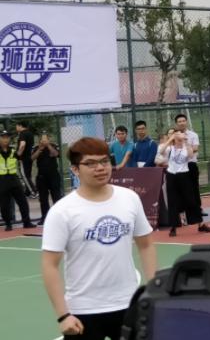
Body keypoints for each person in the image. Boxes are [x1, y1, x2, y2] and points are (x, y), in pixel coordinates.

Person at [41, 137, 157, 340]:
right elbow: (49, 265)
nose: (100, 168)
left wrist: (155, 291)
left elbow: (146, 245)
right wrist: (63, 315)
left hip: (129, 306)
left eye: (104, 161)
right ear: (75, 169)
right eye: (90, 163)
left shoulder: (129, 198)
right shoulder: (62, 211)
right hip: (83, 310)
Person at [156, 130, 210, 237]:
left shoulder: (186, 148)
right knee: (173, 201)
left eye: (180, 134)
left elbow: (191, 156)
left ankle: (200, 224)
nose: (179, 136)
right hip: (171, 175)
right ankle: (173, 227)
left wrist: (185, 141)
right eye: (176, 134)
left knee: (191, 200)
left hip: (184, 175)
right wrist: (171, 139)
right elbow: (161, 151)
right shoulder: (169, 148)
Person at [0, 130, 36, 231]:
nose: (6, 139)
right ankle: (8, 223)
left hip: (14, 178)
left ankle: (27, 222)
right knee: (4, 204)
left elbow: (20, 156)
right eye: (3, 137)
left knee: (22, 201)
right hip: (2, 180)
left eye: (7, 137)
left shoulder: (12, 151)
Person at [174, 114, 204, 219]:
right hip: (179, 166)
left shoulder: (193, 135)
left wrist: (184, 149)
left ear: (186, 122)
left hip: (191, 164)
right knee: (181, 189)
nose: (182, 123)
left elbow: (195, 148)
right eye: (179, 121)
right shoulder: (174, 136)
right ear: (176, 124)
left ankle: (198, 209)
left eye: (183, 121)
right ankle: (183, 212)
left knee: (194, 187)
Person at [32, 132, 63, 225]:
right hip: (42, 176)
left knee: (56, 196)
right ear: (39, 140)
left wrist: (48, 145)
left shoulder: (54, 145)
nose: (44, 140)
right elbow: (32, 158)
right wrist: (40, 149)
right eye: (42, 139)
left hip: (53, 175)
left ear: (49, 139)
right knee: (43, 198)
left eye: (46, 138)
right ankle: (45, 217)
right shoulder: (36, 148)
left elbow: (56, 154)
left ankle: (59, 218)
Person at [16, 121, 38, 198]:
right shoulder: (30, 133)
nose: (16, 128)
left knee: (25, 175)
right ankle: (27, 192)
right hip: (29, 157)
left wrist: (18, 154)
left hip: (24, 158)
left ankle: (33, 192)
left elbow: (22, 145)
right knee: (28, 175)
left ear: (20, 126)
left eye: (17, 126)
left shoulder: (23, 134)